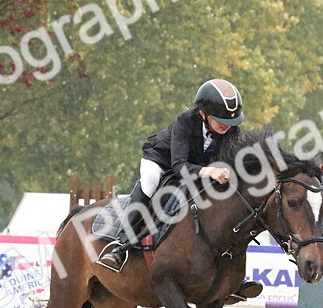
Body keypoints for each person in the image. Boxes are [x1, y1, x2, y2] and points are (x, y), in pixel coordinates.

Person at [97, 79, 244, 271]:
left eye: (230, 122)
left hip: (198, 168)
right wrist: (210, 171)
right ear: (203, 113)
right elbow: (179, 167)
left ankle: (230, 267)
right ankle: (120, 245)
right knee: (150, 182)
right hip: (162, 162)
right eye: (221, 120)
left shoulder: (231, 130)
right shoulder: (185, 122)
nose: (227, 126)